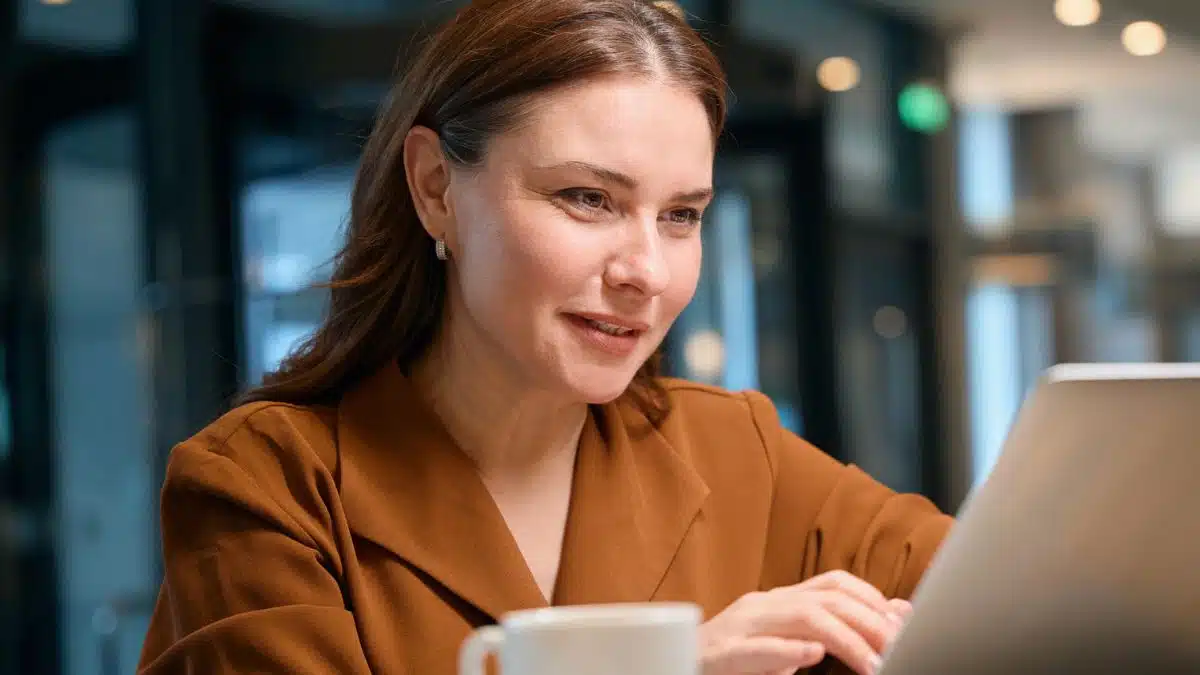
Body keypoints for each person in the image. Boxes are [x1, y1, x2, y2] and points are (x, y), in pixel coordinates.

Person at [136, 1, 953, 674]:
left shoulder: (734, 449)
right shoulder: (264, 484)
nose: (647, 270)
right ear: (434, 188)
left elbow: (1012, 593)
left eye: (681, 216)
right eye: (588, 198)